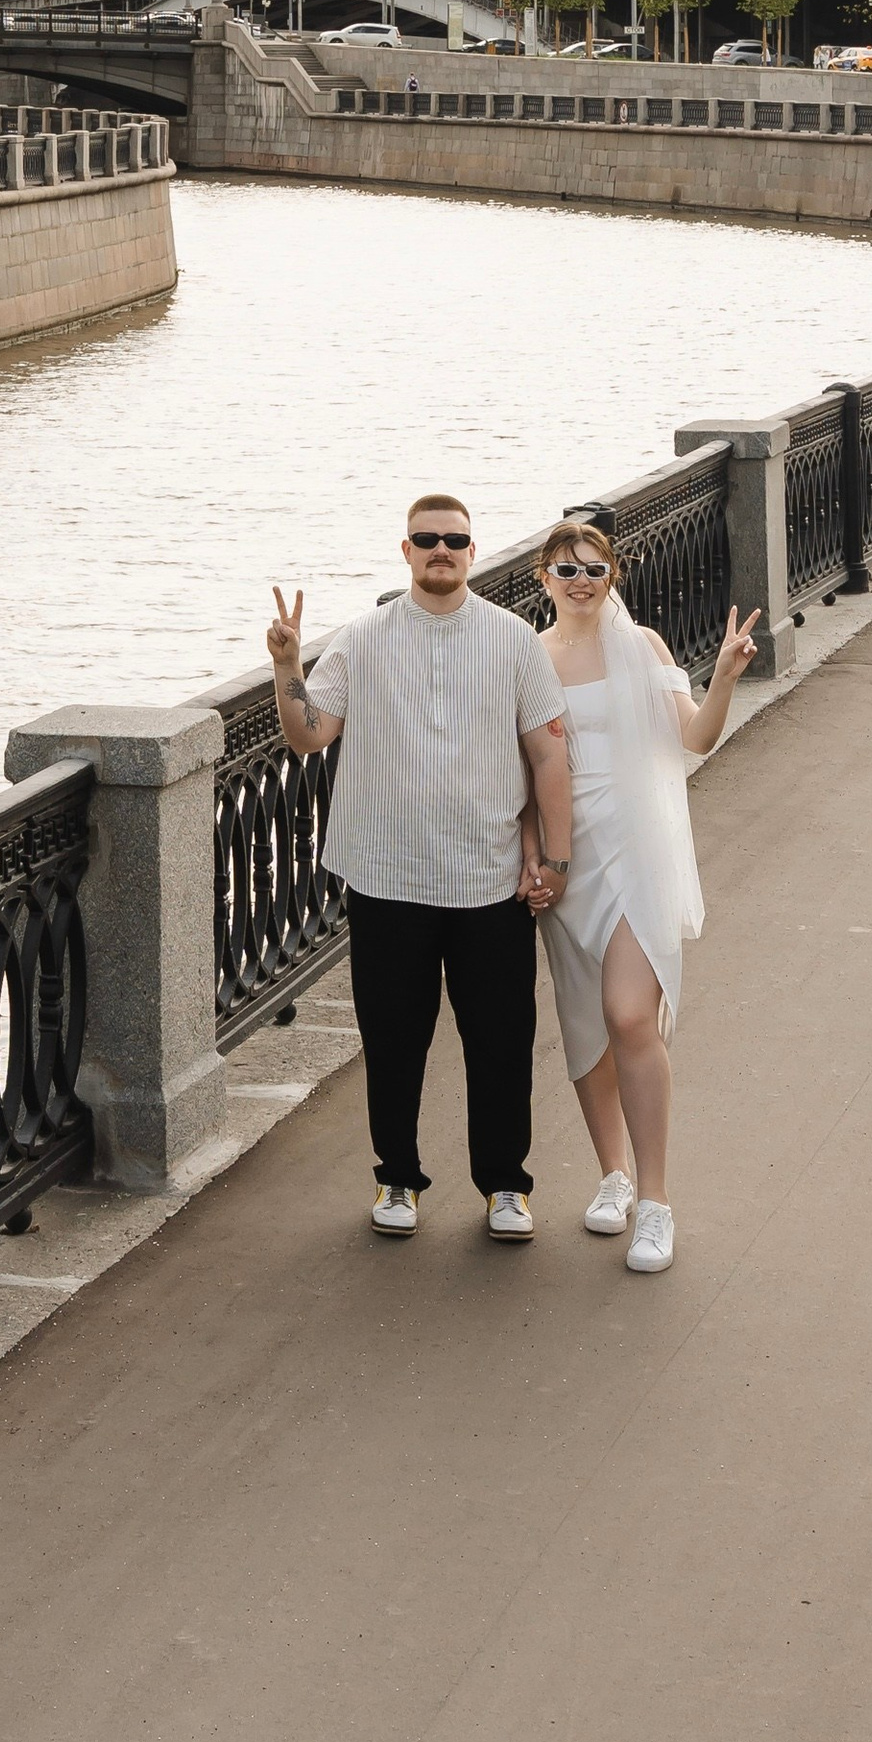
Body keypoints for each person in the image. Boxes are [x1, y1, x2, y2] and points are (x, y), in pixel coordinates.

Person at [266, 495, 573, 1244]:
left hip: (490, 878)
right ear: (404, 550)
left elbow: (549, 754)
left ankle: (506, 1186)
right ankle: (395, 1178)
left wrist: (556, 858)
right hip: (387, 878)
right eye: (427, 540)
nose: (442, 550)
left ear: (473, 550)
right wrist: (285, 665)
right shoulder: (362, 639)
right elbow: (310, 736)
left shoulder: (513, 642)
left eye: (455, 540)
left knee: (501, 1042)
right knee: (394, 1039)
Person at [528, 519, 760, 1277]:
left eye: (595, 568)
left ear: (614, 575)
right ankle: (613, 1176)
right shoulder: (529, 658)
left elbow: (694, 740)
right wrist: (536, 858)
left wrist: (724, 673)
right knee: (586, 1020)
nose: (582, 581)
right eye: (567, 570)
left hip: (636, 850)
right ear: (543, 578)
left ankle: (656, 1203)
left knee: (630, 1013)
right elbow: (521, 770)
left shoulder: (646, 647)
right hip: (570, 856)